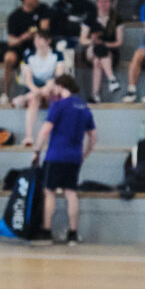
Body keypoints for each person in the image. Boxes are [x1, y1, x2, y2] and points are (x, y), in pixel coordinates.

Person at [33, 73, 96, 246]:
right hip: (74, 157)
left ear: (60, 87)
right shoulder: (84, 107)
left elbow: (46, 129)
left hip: (55, 155)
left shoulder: (58, 105)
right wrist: (83, 155)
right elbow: (93, 138)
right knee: (71, 193)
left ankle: (46, 231)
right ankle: (73, 233)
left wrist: (37, 150)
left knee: (49, 192)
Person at [0, 0, 49, 103]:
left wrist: (36, 35)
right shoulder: (14, 16)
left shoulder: (43, 9)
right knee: (8, 58)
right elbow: (11, 41)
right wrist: (24, 37)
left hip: (38, 46)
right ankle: (5, 94)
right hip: (21, 47)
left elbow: (44, 28)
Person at [14, 29, 64, 146]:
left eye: (40, 38)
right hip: (34, 87)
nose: (37, 41)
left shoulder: (57, 55)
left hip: (51, 85)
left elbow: (58, 76)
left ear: (48, 40)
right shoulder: (29, 56)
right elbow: (28, 80)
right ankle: (29, 136)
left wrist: (48, 87)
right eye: (35, 38)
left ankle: (24, 98)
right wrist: (37, 91)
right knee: (33, 101)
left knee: (53, 94)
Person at [77, 0, 123, 101]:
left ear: (111, 3)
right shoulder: (90, 17)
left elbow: (119, 42)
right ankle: (111, 79)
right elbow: (82, 39)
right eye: (100, 1)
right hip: (91, 50)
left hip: (110, 51)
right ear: (97, 2)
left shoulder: (117, 18)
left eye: (106, 1)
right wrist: (92, 41)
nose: (102, 4)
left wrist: (104, 44)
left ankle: (95, 94)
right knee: (97, 49)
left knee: (98, 60)